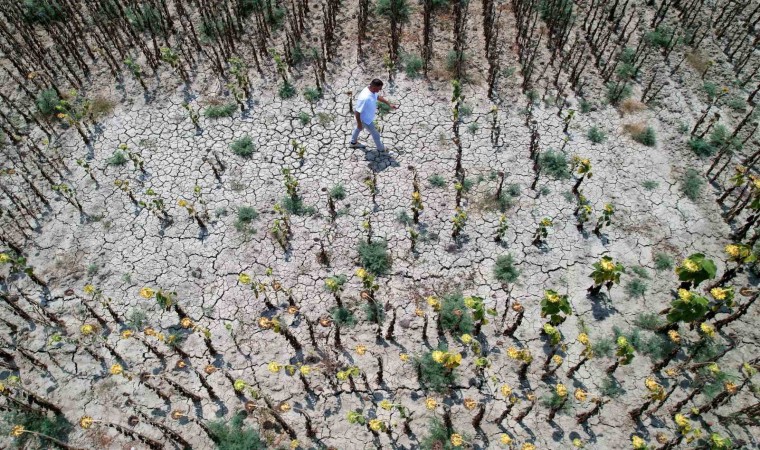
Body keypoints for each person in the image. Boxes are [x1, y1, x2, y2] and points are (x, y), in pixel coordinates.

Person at [350, 79, 398, 151]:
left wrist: (389, 104)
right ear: (374, 87)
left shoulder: (371, 90)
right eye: (379, 89)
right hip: (366, 120)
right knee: (375, 134)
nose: (379, 90)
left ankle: (353, 143)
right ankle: (381, 148)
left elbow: (377, 97)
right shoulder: (365, 98)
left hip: (366, 118)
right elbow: (357, 112)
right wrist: (359, 123)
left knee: (358, 129)